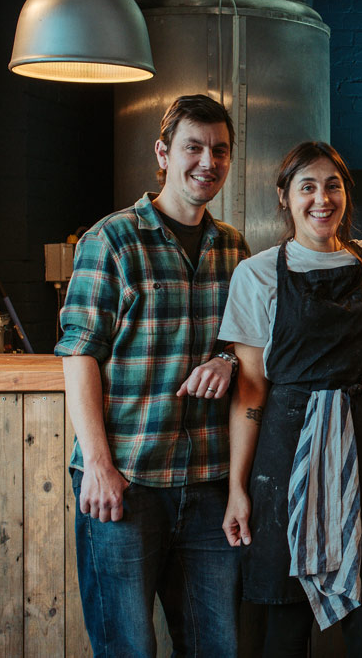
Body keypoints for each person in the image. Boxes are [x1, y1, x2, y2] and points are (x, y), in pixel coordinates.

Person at [55, 94, 249, 656]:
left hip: (209, 483)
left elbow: (250, 348)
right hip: (126, 481)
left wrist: (229, 360)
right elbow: (79, 354)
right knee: (127, 647)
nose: (207, 162)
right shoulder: (111, 240)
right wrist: (96, 466)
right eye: (193, 148)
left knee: (217, 646)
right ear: (163, 153)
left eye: (219, 150)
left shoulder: (236, 248)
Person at [218, 141, 362, 656]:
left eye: (332, 185)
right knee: (282, 635)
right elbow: (250, 388)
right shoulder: (256, 273)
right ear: (284, 196)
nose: (321, 199)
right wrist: (238, 488)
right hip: (284, 457)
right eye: (307, 186)